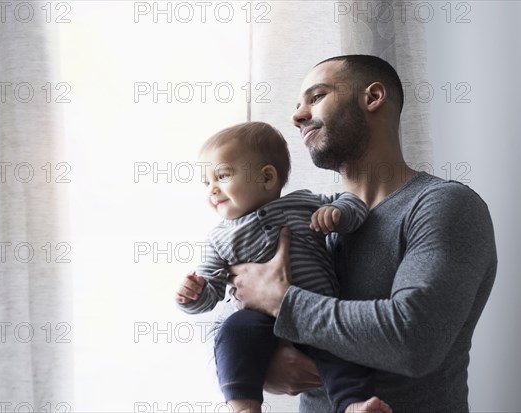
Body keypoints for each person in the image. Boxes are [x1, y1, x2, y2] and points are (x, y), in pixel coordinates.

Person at [229, 55, 498, 412]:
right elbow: (242, 302)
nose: (297, 116)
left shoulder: (445, 206)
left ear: (372, 98)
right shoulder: (309, 220)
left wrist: (283, 302)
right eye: (297, 106)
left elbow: (413, 341)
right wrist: (261, 367)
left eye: (317, 96)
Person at [175, 121, 392, 413]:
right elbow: (210, 292)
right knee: (233, 330)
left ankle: (352, 404)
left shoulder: (303, 203)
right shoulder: (219, 238)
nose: (212, 189)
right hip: (258, 323)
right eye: (206, 182)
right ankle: (243, 405)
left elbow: (354, 203)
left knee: (342, 346)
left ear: (266, 177)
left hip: (315, 312)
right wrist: (193, 294)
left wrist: (338, 212)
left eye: (222, 176)